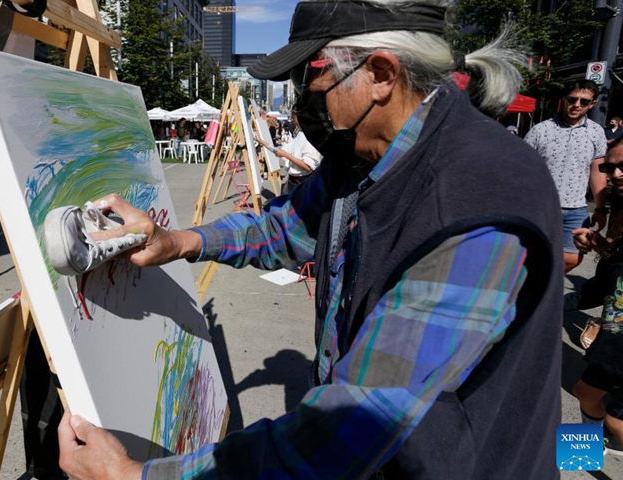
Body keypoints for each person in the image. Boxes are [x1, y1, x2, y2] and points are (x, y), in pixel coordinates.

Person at [57, 1, 563, 478]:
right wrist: (176, 241)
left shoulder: (477, 202)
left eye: (312, 74)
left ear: (381, 75)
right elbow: (283, 227)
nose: (305, 97)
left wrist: (132, 474)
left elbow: (350, 427)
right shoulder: (364, 155)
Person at [572, 137, 623, 455]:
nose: (616, 174)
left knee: (618, 419)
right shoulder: (621, 208)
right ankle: (582, 454)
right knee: (585, 391)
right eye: (611, 167)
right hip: (615, 330)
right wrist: (598, 244)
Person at [524, 80, 608, 273]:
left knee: (572, 258)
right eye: (572, 99)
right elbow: (523, 169)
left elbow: (597, 171)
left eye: (584, 101)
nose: (577, 104)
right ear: (565, 99)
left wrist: (601, 209)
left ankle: (540, 288)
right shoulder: (541, 130)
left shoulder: (596, 132)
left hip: (576, 209)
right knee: (532, 255)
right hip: (542, 206)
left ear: (592, 104)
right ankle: (531, 293)